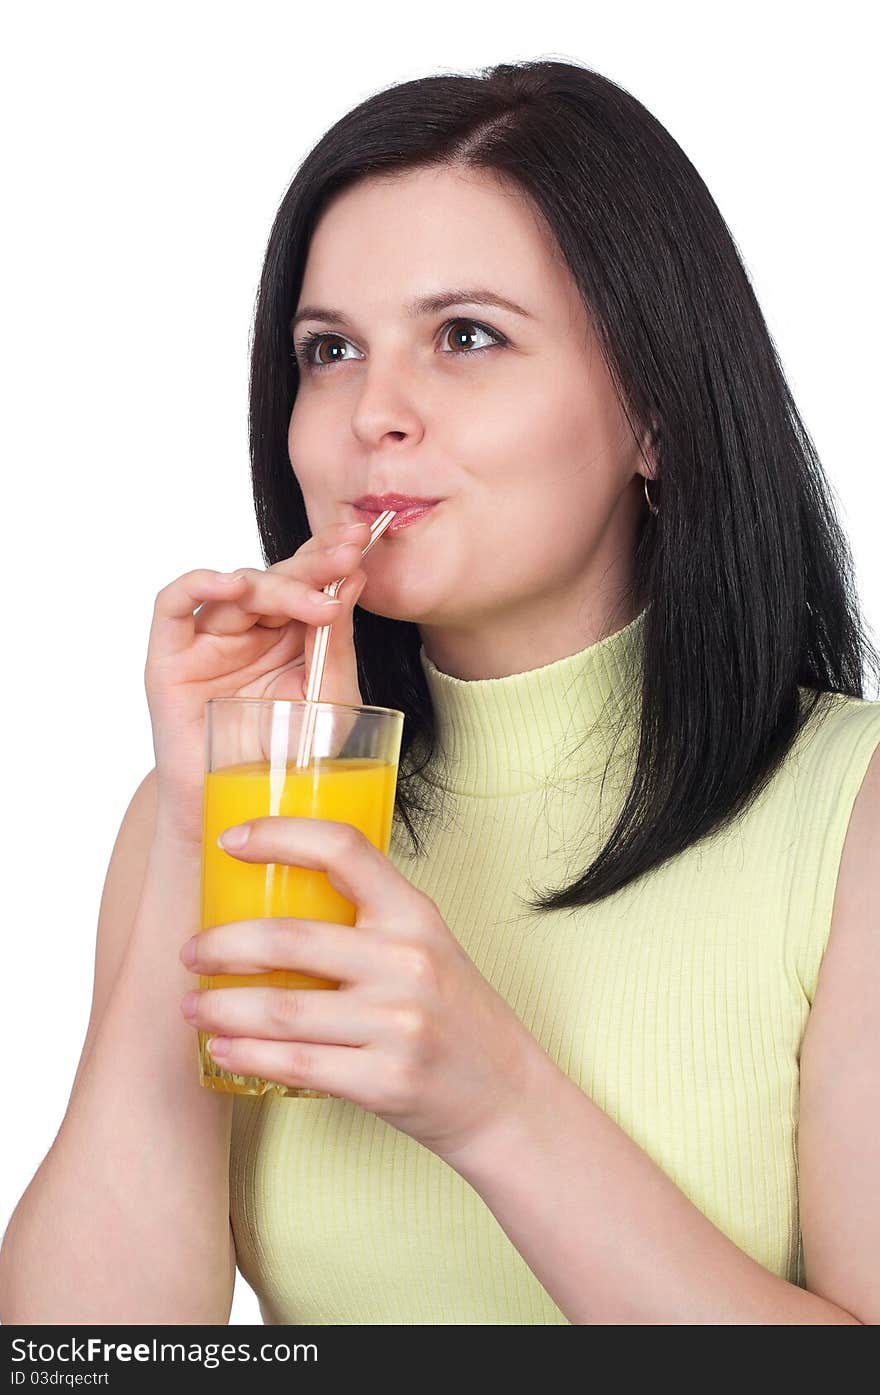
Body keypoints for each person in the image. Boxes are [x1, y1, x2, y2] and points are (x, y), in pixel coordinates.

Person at [1, 57, 878, 1327]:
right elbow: (89, 1358)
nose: (373, 413)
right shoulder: (228, 805)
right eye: (329, 349)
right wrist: (196, 830)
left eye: (466, 336)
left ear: (656, 414)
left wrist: (492, 1099)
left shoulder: (847, 814)